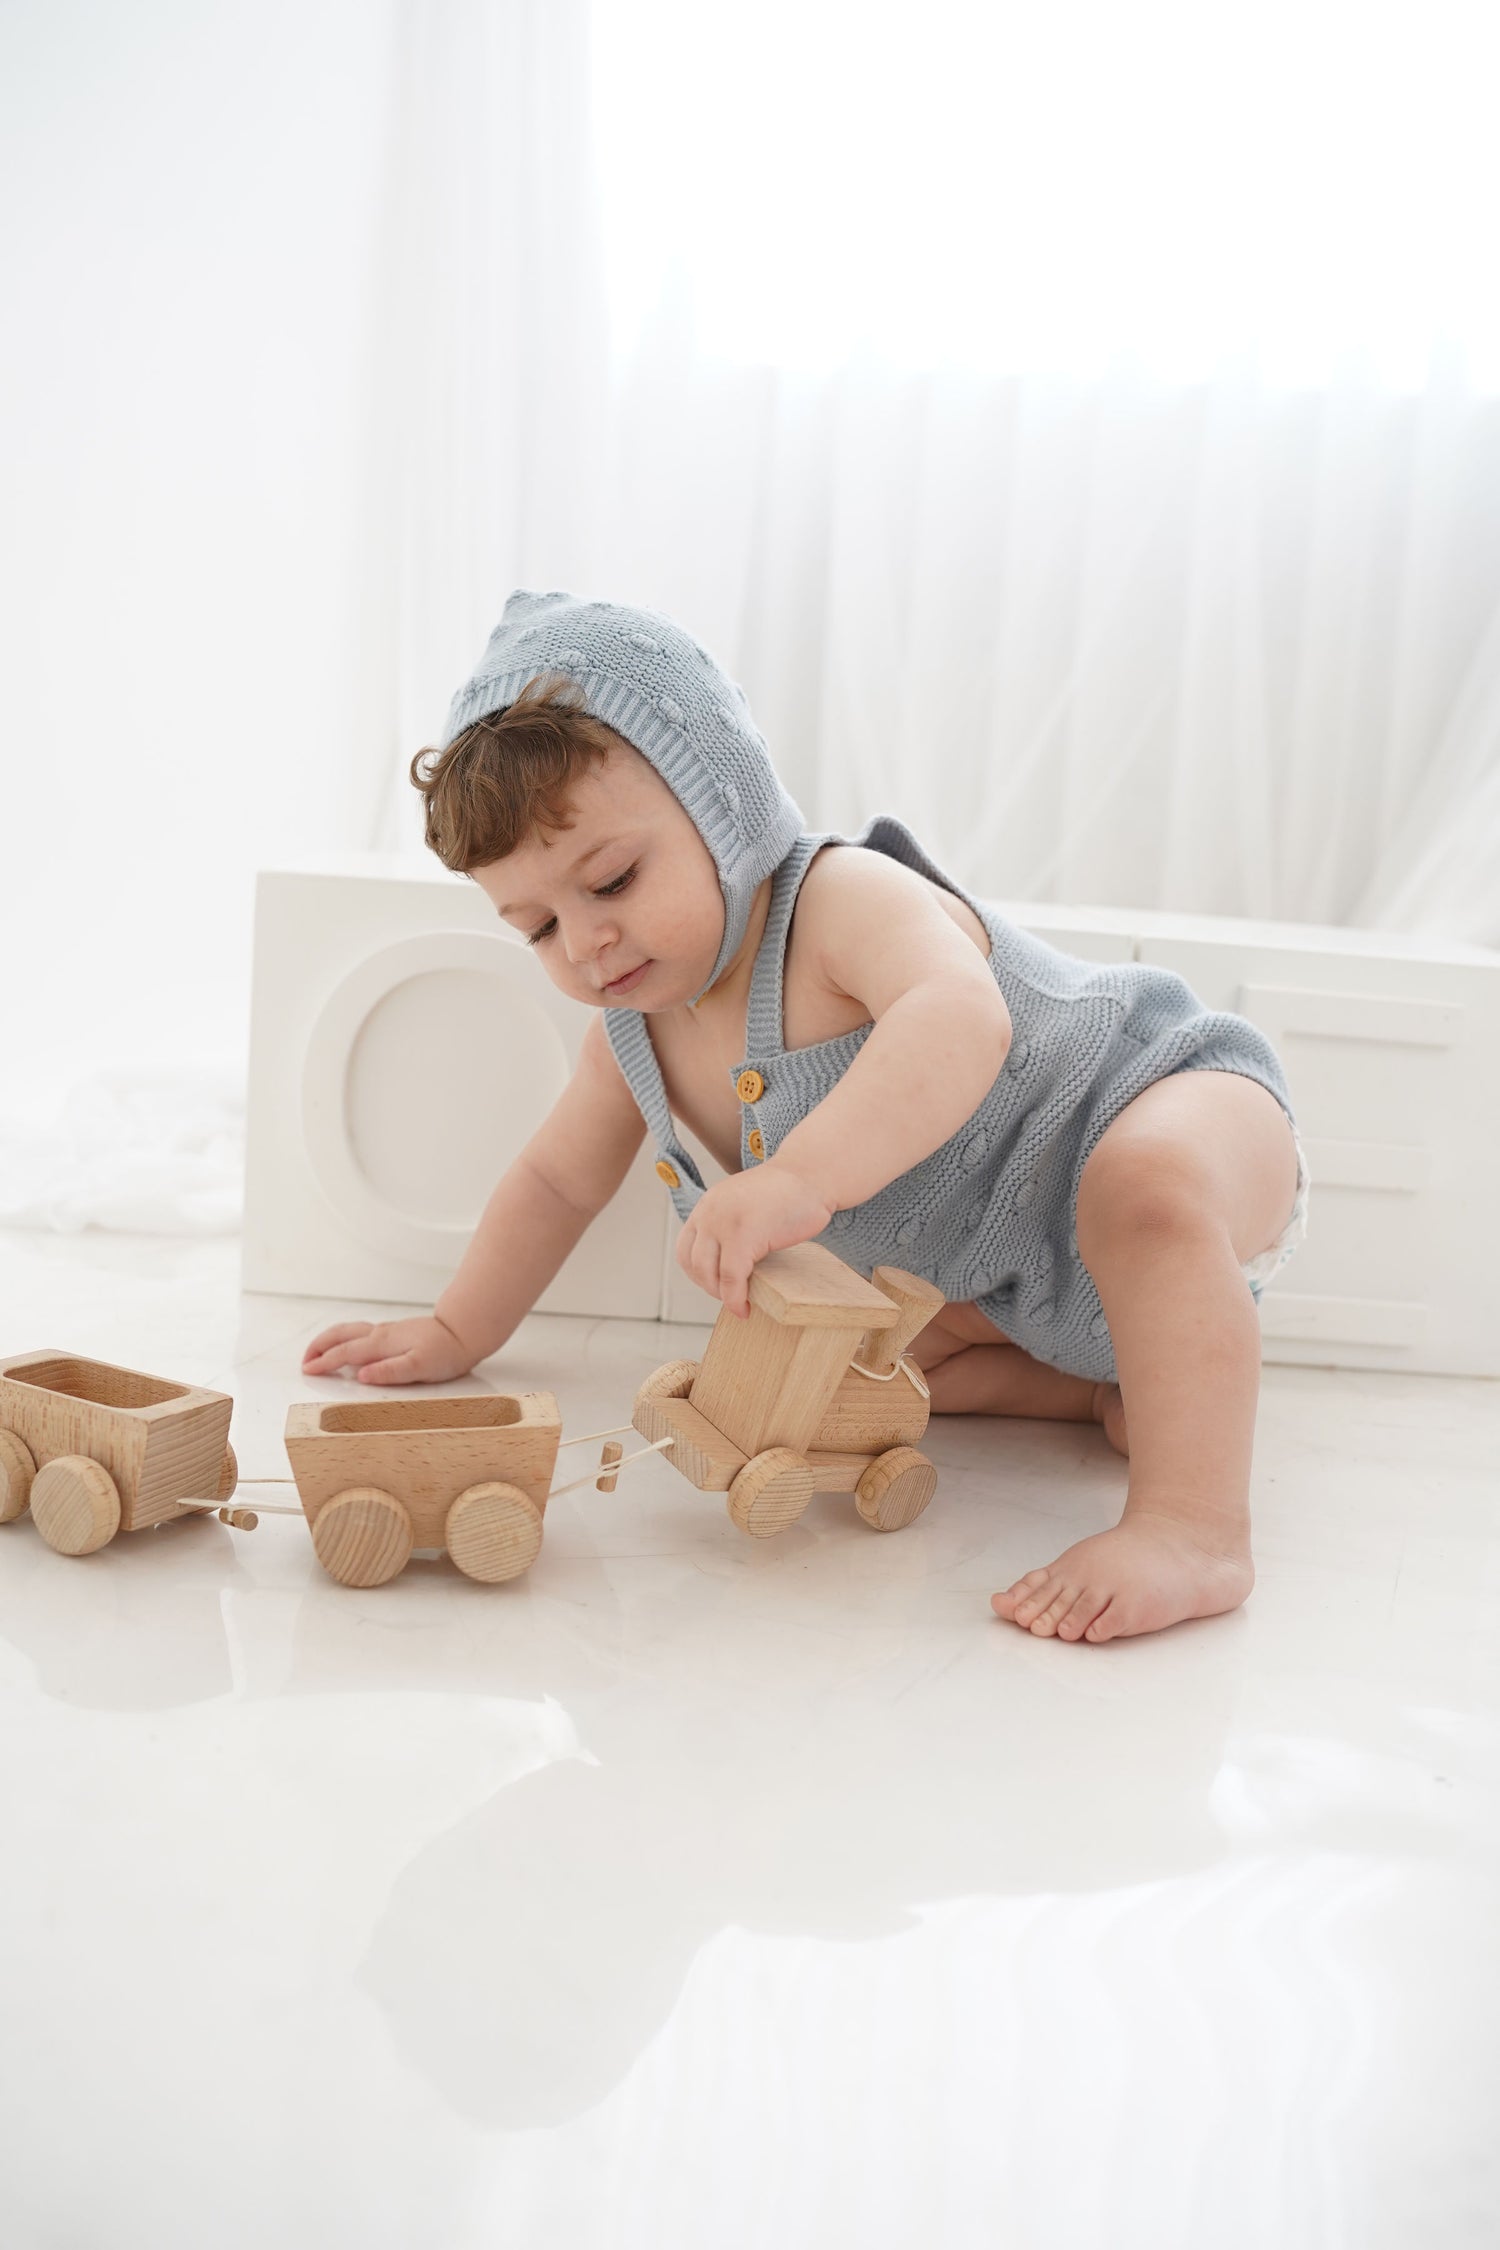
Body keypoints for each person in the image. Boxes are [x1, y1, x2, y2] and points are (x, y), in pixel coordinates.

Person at [303, 590, 1310, 1643]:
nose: (589, 941)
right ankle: (1113, 1390)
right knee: (874, 1373)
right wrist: (460, 1327)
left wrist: (796, 1180)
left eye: (613, 879)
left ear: (721, 804)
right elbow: (557, 1182)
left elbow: (960, 1017)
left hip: (1166, 1103)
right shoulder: (635, 1034)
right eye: (541, 926)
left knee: (1142, 1186)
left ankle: (1194, 1530)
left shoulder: (837, 901)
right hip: (1029, 1289)